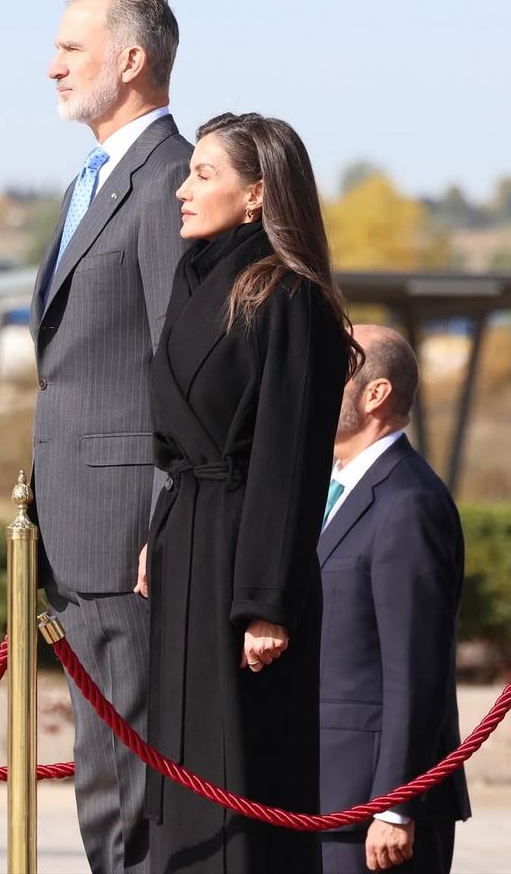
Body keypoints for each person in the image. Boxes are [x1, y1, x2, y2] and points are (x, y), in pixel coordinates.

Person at [135, 112, 361, 873]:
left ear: (257, 193)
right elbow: (179, 438)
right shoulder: (193, 278)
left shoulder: (289, 297)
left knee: (242, 773)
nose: (182, 189)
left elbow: (289, 461)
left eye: (203, 175)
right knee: (182, 761)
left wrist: (267, 603)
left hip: (243, 565)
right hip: (188, 541)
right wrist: (160, 534)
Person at [30, 0, 192, 873]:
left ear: (130, 60)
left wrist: (162, 522)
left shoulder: (169, 180)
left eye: (70, 47)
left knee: (128, 784)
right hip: (77, 528)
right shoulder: (89, 181)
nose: (52, 65)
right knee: (101, 773)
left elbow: (182, 366)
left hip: (128, 533)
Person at [318, 325, 471, 874]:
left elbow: (416, 669)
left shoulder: (408, 501)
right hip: (324, 796)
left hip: (373, 810)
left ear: (375, 394)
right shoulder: (330, 490)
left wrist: (395, 804)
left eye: (332, 369)